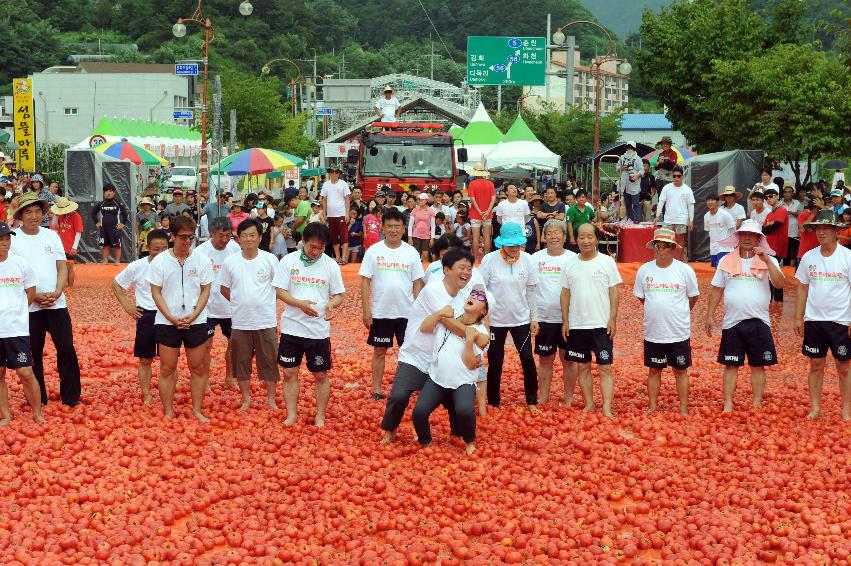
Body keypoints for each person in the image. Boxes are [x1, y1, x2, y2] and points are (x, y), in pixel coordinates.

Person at [379, 247, 475, 444]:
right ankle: (390, 429)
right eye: (462, 267)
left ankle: (457, 433)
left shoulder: (466, 296)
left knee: (453, 398)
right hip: (416, 355)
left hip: (442, 359)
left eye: (469, 268)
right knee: (399, 395)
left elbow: (476, 316)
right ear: (446, 269)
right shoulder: (433, 289)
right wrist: (476, 336)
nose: (466, 272)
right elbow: (449, 323)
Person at [704, 220, 784, 413]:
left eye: (752, 235)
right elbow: (716, 290)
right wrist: (709, 315)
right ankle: (728, 403)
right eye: (744, 234)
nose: (748, 238)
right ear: (738, 237)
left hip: (759, 321)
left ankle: (757, 401)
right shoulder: (726, 260)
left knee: (758, 365)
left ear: (758, 238)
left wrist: (766, 261)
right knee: (731, 365)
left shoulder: (769, 260)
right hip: (732, 322)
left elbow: (780, 283)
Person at [10, 193, 81, 408]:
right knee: (34, 352)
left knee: (66, 347)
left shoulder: (52, 236)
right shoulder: (13, 239)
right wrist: (35, 296)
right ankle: (38, 397)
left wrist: (58, 291)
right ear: (21, 215)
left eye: (37, 211)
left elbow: (61, 267)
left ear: (43, 214)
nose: (34, 216)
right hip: (29, 305)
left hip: (56, 303)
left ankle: (70, 396)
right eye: (29, 212)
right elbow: (14, 275)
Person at [273, 222, 345, 427]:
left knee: (321, 374)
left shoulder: (330, 265)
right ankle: (292, 414)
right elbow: (280, 291)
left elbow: (339, 295)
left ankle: (320, 415)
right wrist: (299, 304)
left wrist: (331, 304)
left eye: (320, 248)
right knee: (289, 372)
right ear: (303, 242)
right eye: (312, 247)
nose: (316, 252)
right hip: (292, 327)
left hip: (317, 330)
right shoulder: (289, 261)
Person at [147, 215, 214, 422]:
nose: (187, 242)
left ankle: (197, 409)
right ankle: (168, 410)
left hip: (197, 320)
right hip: (167, 322)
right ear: (172, 236)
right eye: (182, 237)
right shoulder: (160, 261)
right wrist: (170, 316)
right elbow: (156, 292)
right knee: (167, 368)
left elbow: (206, 290)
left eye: (190, 237)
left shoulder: (201, 260)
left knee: (199, 367)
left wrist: (194, 315)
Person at [412, 284, 491, 455]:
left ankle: (469, 441)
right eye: (472, 295)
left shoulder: (480, 332)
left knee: (464, 411)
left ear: (483, 312)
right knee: (419, 412)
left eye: (480, 298)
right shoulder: (450, 316)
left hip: (463, 381)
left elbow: (471, 364)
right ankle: (425, 442)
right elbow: (424, 328)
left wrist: (470, 341)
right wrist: (439, 314)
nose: (474, 297)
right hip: (437, 379)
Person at [360, 208, 425, 400]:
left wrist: (418, 312)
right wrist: (366, 310)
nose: (393, 230)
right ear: (383, 228)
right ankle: (377, 390)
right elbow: (365, 281)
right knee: (379, 351)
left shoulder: (411, 252)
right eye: (389, 226)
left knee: (409, 353)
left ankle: (408, 388)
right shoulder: (374, 251)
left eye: (397, 226)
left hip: (407, 313)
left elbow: (417, 283)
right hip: (381, 312)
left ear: (404, 228)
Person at [634, 229, 700, 415]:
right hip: (654, 332)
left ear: (673, 248)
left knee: (680, 370)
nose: (661, 249)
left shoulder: (685, 270)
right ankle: (652, 406)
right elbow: (642, 297)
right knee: (654, 370)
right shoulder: (644, 270)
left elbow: (693, 297)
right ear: (653, 247)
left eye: (666, 246)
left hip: (678, 331)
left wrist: (680, 312)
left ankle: (683, 408)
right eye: (658, 245)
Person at [793, 210, 851, 421]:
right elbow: (802, 288)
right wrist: (798, 317)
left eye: (826, 227)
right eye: (818, 228)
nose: (822, 232)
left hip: (840, 321)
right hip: (815, 321)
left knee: (844, 366)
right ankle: (815, 406)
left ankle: (847, 409)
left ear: (837, 231)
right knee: (816, 365)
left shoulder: (847, 257)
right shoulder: (809, 256)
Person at [219, 218, 281, 412]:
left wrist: (262, 303)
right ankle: (246, 398)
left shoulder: (270, 259)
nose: (248, 239)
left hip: (266, 321)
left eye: (252, 235)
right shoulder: (230, 262)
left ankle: (271, 399)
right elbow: (224, 288)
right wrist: (240, 303)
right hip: (240, 322)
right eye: (244, 236)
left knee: (270, 361)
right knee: (241, 362)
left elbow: (279, 287)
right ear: (238, 239)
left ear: (260, 237)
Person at [561, 223, 622, 418]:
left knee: (605, 367)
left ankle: (606, 406)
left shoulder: (606, 262)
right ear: (576, 239)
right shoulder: (569, 263)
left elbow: (614, 291)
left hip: (601, 324)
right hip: (578, 325)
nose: (585, 241)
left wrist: (612, 318)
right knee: (582, 366)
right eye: (581, 237)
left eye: (589, 237)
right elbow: (565, 294)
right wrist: (565, 320)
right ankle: (589, 403)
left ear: (596, 239)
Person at [479, 223, 539, 411]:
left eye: (517, 244)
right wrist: (482, 319)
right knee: (496, 362)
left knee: (527, 359)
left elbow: (531, 290)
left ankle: (531, 400)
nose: (514, 248)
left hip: (521, 319)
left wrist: (534, 318)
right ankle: (494, 401)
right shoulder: (489, 260)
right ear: (502, 243)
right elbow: (481, 290)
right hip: (496, 320)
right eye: (510, 244)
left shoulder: (528, 260)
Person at [112, 229, 170, 405]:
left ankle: (167, 393)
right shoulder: (138, 266)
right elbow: (116, 284)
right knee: (146, 358)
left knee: (169, 360)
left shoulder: (174, 264)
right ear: (147, 247)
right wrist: (127, 306)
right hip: (147, 316)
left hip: (168, 316)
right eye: (155, 249)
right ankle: (147, 394)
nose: (160, 253)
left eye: (164, 249)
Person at [0, 221, 44, 426]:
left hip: (16, 328)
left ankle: (37, 413)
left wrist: (18, 310)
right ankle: (6, 415)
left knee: (25, 372)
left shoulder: (21, 264)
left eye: (7, 239)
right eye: (1, 240)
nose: (5, 243)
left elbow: (31, 291)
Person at [532, 220, 578, 406]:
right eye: (549, 233)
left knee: (568, 360)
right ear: (543, 237)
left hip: (569, 319)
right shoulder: (535, 258)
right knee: (545, 360)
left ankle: (568, 397)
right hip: (544, 318)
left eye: (557, 232)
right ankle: (544, 396)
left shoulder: (574, 259)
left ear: (564, 237)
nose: (553, 236)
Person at [196, 217, 241, 389]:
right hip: (207, 307)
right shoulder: (201, 252)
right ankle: (205, 379)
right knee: (206, 345)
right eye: (220, 236)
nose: (224, 240)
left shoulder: (235, 249)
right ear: (212, 233)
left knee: (233, 344)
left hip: (230, 307)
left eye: (228, 236)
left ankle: (230, 378)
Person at [655, 166, 695, 260]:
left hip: (682, 219)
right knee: (665, 240)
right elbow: (661, 202)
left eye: (678, 176)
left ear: (682, 177)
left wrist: (691, 220)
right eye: (674, 176)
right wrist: (657, 216)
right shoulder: (666, 187)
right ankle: (667, 259)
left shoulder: (687, 189)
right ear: (672, 177)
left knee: (680, 240)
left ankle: (680, 260)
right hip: (668, 219)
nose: (676, 178)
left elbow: (691, 205)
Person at [49, 197, 84, 286]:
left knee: (69, 267)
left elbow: (78, 232)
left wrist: (74, 247)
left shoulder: (76, 216)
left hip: (70, 246)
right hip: (60, 245)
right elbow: (55, 226)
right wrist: (56, 216)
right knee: (61, 267)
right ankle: (63, 285)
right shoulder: (61, 215)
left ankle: (71, 286)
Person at [762, 188, 789, 302]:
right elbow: (764, 230)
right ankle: (771, 300)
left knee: (774, 273)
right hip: (769, 246)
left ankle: (777, 301)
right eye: (766, 197)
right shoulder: (769, 214)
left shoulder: (782, 210)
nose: (769, 199)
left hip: (777, 246)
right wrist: (769, 227)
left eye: (771, 196)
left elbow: (771, 229)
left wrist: (769, 227)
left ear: (778, 196)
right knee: (768, 273)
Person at [320, 166, 351, 264]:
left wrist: (347, 214)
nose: (334, 174)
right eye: (332, 172)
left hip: (341, 213)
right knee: (333, 237)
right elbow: (324, 200)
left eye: (336, 172)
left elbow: (347, 199)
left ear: (339, 173)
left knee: (344, 237)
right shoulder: (326, 185)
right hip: (331, 215)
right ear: (329, 173)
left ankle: (344, 258)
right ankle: (337, 257)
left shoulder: (343, 184)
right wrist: (324, 213)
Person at [92, 183, 129, 264]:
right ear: (104, 193)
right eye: (106, 191)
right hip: (104, 229)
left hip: (115, 228)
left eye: (110, 191)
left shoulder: (118, 203)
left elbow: (125, 213)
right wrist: (96, 222)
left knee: (117, 245)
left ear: (114, 193)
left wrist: (123, 223)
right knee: (105, 245)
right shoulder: (101, 204)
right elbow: (93, 213)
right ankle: (105, 260)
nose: (108, 193)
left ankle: (117, 260)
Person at [466, 163, 497, 259]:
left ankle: (475, 260)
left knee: (475, 237)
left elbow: (472, 199)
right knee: (487, 237)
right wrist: (487, 211)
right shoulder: (490, 183)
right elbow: (493, 199)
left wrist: (479, 211)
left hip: (475, 214)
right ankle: (486, 258)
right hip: (487, 215)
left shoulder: (472, 184)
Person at [703, 194, 736, 267]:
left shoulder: (725, 214)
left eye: (712, 200)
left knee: (722, 267)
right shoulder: (706, 216)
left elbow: (733, 229)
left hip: (725, 247)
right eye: (708, 200)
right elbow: (708, 230)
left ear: (717, 202)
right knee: (715, 267)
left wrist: (733, 244)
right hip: (713, 247)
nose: (710, 202)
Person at [617, 141, 644, 222]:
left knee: (635, 203)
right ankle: (630, 218)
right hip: (624, 184)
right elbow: (617, 168)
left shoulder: (638, 158)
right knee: (627, 203)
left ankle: (637, 219)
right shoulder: (621, 157)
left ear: (634, 148)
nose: (629, 149)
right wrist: (622, 167)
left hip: (633, 183)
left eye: (631, 147)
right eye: (628, 147)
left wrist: (636, 175)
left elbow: (642, 170)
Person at [408, 192, 437, 261]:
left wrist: (432, 238)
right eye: (419, 199)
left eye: (422, 199)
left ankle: (424, 271)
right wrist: (410, 237)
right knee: (415, 255)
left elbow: (433, 226)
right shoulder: (414, 210)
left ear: (426, 200)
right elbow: (410, 225)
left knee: (425, 256)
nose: (419, 201)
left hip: (426, 236)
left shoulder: (431, 211)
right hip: (416, 235)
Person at [781, 182, 803, 265]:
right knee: (785, 255)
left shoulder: (798, 203)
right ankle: (786, 274)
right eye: (785, 192)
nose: (787, 194)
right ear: (783, 193)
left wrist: (792, 213)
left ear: (792, 193)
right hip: (783, 234)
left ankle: (794, 274)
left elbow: (801, 214)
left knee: (795, 255)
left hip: (795, 233)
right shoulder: (779, 203)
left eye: (789, 192)